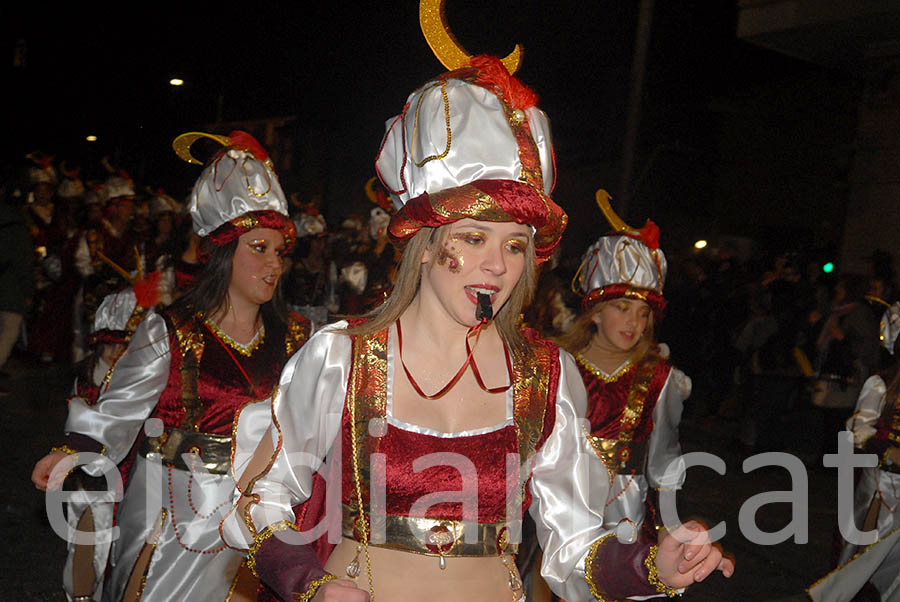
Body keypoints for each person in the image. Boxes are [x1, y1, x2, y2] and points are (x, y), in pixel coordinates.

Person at [222, 16, 732, 602]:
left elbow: (574, 550)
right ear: (427, 243)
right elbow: (257, 502)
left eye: (515, 244)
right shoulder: (344, 356)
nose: (499, 264)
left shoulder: (546, 375)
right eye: (473, 238)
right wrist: (310, 585)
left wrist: (651, 568)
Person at [32, 130, 310, 601]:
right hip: (178, 509)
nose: (274, 265)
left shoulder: (296, 335)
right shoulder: (173, 329)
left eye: (279, 252)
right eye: (259, 249)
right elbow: (119, 408)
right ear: (224, 253)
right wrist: (72, 449)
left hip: (258, 512)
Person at [556, 191, 688, 542]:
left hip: (625, 520)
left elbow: (664, 463)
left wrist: (669, 528)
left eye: (643, 314)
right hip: (560, 512)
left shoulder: (659, 378)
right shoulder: (558, 368)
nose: (634, 323)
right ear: (596, 314)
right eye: (622, 309)